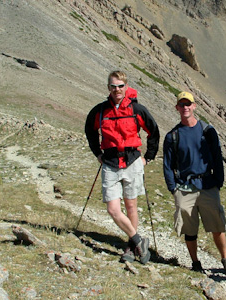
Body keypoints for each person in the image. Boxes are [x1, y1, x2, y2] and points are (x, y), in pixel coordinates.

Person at [85, 70, 160, 264]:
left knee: (131, 206)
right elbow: (90, 131)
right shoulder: (100, 111)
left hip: (132, 161)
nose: (117, 89)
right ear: (108, 88)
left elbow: (153, 131)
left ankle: (130, 247)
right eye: (113, 86)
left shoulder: (137, 109)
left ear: (126, 87)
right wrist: (98, 154)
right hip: (110, 163)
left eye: (120, 86)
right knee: (113, 209)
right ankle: (139, 240)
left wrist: (148, 157)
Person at [163, 91, 226, 276]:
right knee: (189, 228)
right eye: (182, 104)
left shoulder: (207, 131)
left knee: (217, 225)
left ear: (194, 106)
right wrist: (173, 188)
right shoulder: (172, 136)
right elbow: (167, 165)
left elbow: (218, 157)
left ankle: (225, 259)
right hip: (184, 188)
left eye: (188, 104)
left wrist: (218, 181)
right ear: (177, 108)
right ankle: (195, 262)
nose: (185, 107)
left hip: (207, 185)